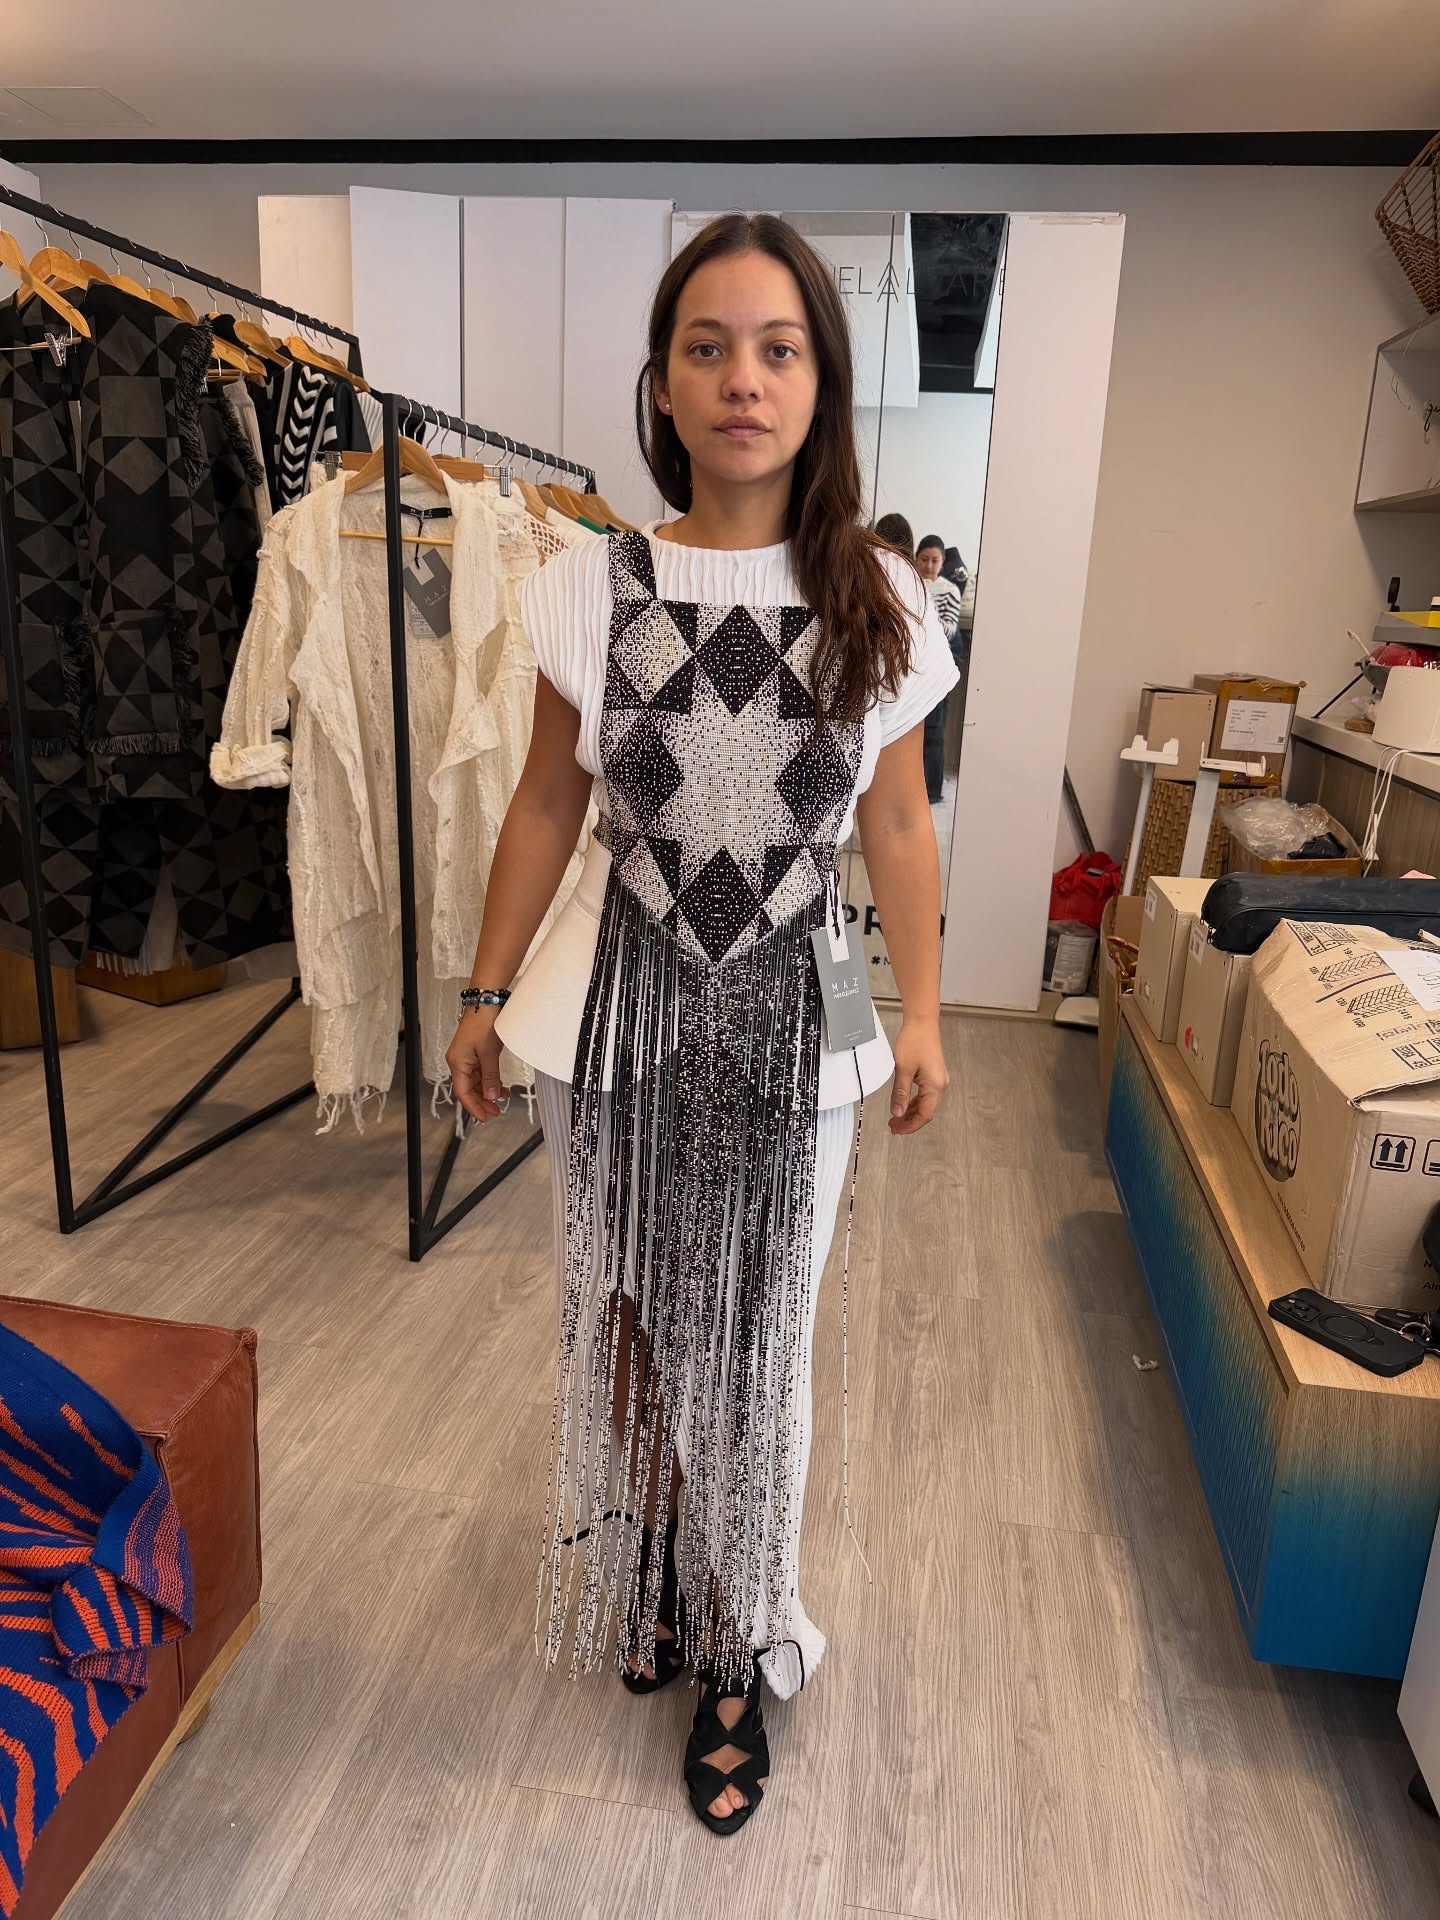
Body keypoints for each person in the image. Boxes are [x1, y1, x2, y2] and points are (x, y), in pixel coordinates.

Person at [445, 213, 957, 1838]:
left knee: (759, 1335)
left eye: (779, 348)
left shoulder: (878, 592)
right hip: (611, 1011)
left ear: (822, 381)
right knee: (626, 1313)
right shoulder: (580, 585)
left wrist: (927, 1014)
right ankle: (664, 1558)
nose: (744, 378)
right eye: (709, 347)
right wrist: (481, 991)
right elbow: (546, 805)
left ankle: (744, 1636)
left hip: (803, 1015)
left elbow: (898, 827)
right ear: (662, 384)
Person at [916, 535, 959, 804]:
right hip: (912, 665)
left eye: (935, 560)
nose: (929, 566)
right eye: (924, 559)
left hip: (936, 665)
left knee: (934, 729)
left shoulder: (950, 590)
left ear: (942, 562)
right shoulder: (909, 583)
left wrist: (927, 612)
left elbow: (950, 630)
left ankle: (932, 790)